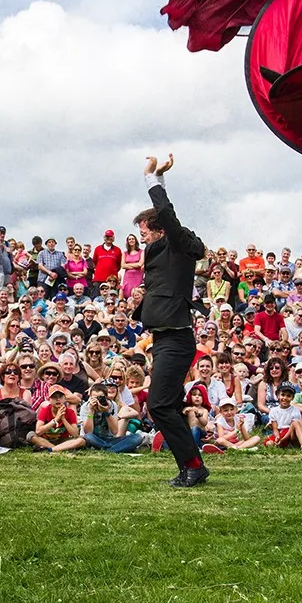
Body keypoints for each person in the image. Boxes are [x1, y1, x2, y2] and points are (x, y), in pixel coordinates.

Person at [131, 153, 209, 488]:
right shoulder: (158, 250)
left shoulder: (176, 244)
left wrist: (152, 178)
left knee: (159, 405)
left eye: (144, 230)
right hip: (163, 340)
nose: (141, 236)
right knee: (167, 406)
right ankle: (190, 466)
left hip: (176, 340)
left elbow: (167, 215)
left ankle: (194, 465)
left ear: (159, 229)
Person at [28, 385, 86, 453]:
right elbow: (38, 431)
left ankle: (51, 449)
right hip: (46, 440)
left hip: (63, 440)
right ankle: (58, 449)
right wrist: (55, 419)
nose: (58, 399)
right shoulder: (45, 410)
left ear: (65, 399)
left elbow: (75, 434)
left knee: (81, 441)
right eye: (54, 397)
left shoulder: (70, 412)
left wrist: (63, 419)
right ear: (49, 399)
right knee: (31, 435)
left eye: (60, 397)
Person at [264, 384, 302, 451]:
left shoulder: (295, 410)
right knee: (269, 443)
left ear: (292, 398)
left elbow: (294, 426)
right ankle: (283, 444)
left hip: (291, 433)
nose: (285, 398)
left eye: (288, 396)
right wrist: (277, 436)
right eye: (283, 395)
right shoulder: (273, 410)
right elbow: (275, 428)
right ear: (278, 396)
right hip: (280, 432)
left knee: (296, 423)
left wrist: (284, 439)